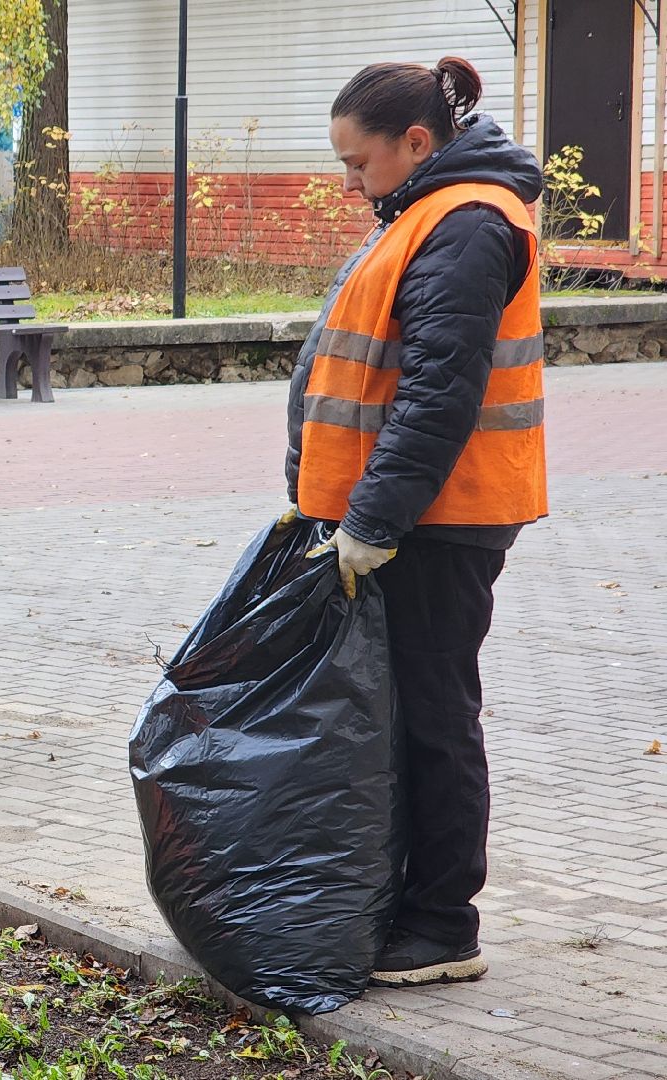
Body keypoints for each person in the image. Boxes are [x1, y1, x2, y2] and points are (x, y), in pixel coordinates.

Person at [288, 56, 545, 988]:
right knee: (402, 714)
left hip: (440, 521)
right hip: (405, 516)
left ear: (417, 144)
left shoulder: (470, 224)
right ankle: (406, 899)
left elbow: (439, 394)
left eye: (359, 165)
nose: (350, 183)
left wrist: (373, 519)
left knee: (436, 716)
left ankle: (443, 924)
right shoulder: (426, 212)